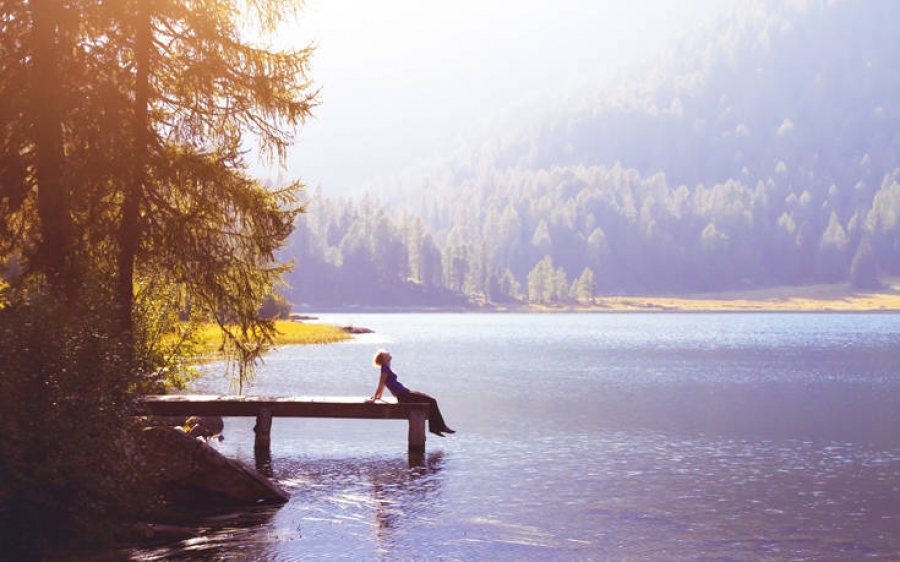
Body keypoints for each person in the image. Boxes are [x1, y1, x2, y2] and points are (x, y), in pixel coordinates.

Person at [367, 349, 455, 437]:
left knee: (430, 400)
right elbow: (381, 383)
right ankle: (439, 427)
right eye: (385, 353)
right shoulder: (385, 368)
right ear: (383, 358)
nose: (388, 353)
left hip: (405, 393)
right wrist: (375, 397)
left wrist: (379, 397)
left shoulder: (386, 367)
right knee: (431, 401)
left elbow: (384, 384)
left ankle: (436, 427)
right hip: (404, 395)